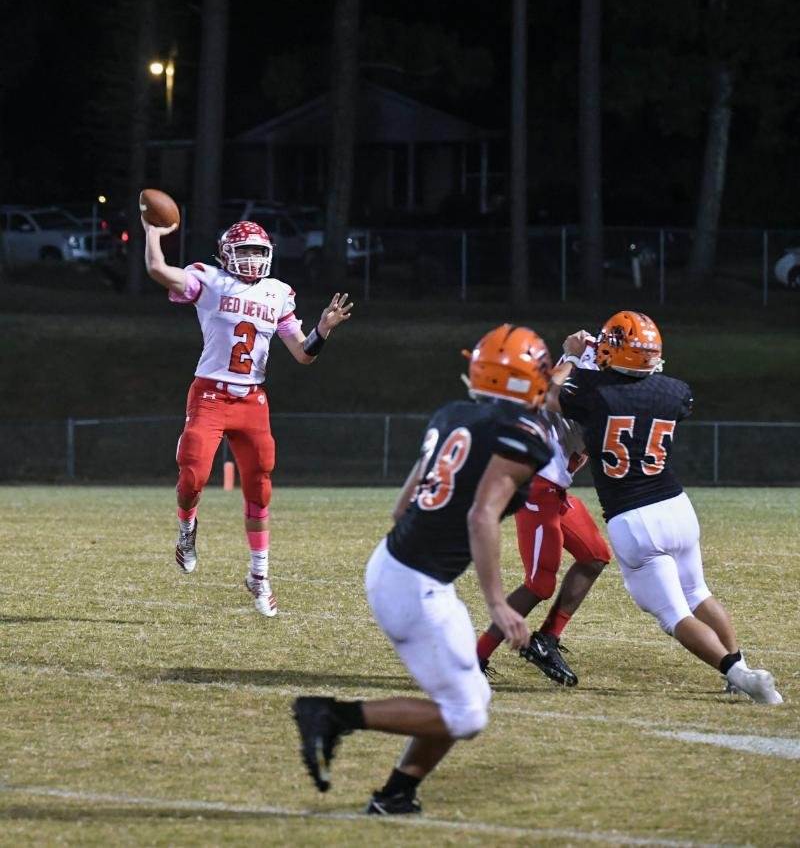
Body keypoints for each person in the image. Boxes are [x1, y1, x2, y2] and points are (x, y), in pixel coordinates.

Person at [292, 324, 554, 814]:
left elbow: (402, 505)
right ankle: (331, 716)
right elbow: (481, 514)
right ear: (524, 381)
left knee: (471, 693)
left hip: (400, 565)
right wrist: (498, 604)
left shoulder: (452, 413)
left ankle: (396, 794)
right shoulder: (524, 437)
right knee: (467, 716)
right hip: (413, 584)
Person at [549, 310, 782, 704]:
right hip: (677, 507)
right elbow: (645, 385)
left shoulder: (592, 390)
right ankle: (738, 664)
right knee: (699, 593)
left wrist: (572, 355)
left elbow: (544, 393)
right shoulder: (676, 391)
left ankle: (741, 675)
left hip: (633, 518)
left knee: (676, 616)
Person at [143, 217, 353, 617]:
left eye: (259, 251)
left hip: (252, 400)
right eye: (245, 251)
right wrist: (153, 232)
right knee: (193, 475)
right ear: (225, 255)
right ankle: (187, 530)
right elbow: (157, 270)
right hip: (209, 393)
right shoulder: (208, 280)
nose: (254, 259)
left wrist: (324, 329)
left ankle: (259, 576)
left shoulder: (278, 294)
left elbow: (303, 354)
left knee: (260, 488)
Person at [476, 337, 611, 686]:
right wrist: (572, 358)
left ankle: (546, 639)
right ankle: (474, 657)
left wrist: (574, 358)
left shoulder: (597, 384)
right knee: (540, 583)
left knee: (595, 555)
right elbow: (546, 392)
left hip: (556, 488)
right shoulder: (592, 385)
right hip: (538, 485)